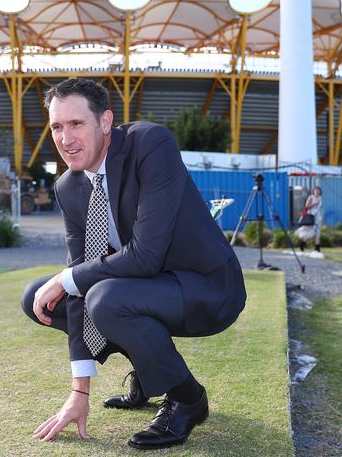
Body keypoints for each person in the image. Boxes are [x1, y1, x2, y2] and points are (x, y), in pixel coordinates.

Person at [21, 78, 247, 450]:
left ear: (106, 122)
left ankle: (188, 400)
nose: (65, 138)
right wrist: (80, 391)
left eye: (76, 124)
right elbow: (79, 278)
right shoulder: (68, 187)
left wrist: (69, 276)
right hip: (144, 288)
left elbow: (146, 255)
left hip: (207, 288)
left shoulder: (150, 144)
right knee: (41, 297)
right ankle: (147, 371)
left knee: (105, 297)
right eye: (57, 127)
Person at [299, 186, 323, 253]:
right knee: (310, 232)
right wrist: (314, 203)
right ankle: (302, 243)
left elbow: (320, 208)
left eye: (318, 190)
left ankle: (317, 247)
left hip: (318, 216)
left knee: (318, 232)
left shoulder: (320, 198)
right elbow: (306, 206)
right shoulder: (311, 197)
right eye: (316, 190)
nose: (317, 192)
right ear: (313, 191)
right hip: (311, 216)